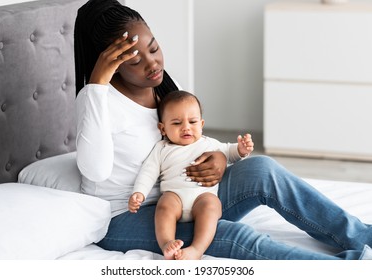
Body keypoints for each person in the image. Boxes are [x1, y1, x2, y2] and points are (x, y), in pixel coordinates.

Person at [74, 0, 372, 260]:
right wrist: (97, 85)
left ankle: (363, 237)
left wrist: (217, 158)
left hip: (185, 192)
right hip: (128, 215)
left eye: (154, 48)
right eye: (136, 60)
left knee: (262, 169)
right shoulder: (96, 100)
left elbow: (189, 140)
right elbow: (95, 171)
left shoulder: (164, 86)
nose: (152, 63)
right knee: (232, 234)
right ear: (110, 63)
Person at [128, 90, 254, 260]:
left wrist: (241, 149)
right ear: (163, 128)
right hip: (175, 197)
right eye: (177, 123)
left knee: (211, 206)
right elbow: (148, 172)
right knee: (163, 206)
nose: (186, 127)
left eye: (193, 121)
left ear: (201, 124)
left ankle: (196, 249)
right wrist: (139, 193)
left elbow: (230, 152)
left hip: (202, 197)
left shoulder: (209, 143)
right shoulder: (162, 148)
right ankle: (167, 243)